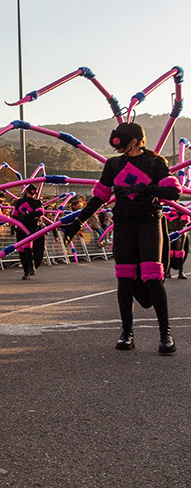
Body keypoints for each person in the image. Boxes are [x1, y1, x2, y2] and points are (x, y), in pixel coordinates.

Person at [64, 122, 181, 353]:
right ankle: (126, 332)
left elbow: (173, 192)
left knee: (153, 276)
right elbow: (99, 197)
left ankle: (165, 334)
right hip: (124, 225)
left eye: (121, 141)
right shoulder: (114, 164)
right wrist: (78, 220)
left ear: (135, 141)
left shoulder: (156, 162)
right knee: (124, 278)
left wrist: (144, 188)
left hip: (149, 222)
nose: (117, 147)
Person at [11, 185, 45, 280]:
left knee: (28, 247)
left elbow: (40, 212)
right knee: (21, 250)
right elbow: (14, 215)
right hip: (21, 227)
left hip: (32, 227)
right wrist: (12, 225)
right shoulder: (19, 202)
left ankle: (32, 267)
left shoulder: (37, 202)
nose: (32, 195)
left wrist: (28, 214)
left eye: (33, 193)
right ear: (26, 191)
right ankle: (26, 272)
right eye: (30, 193)